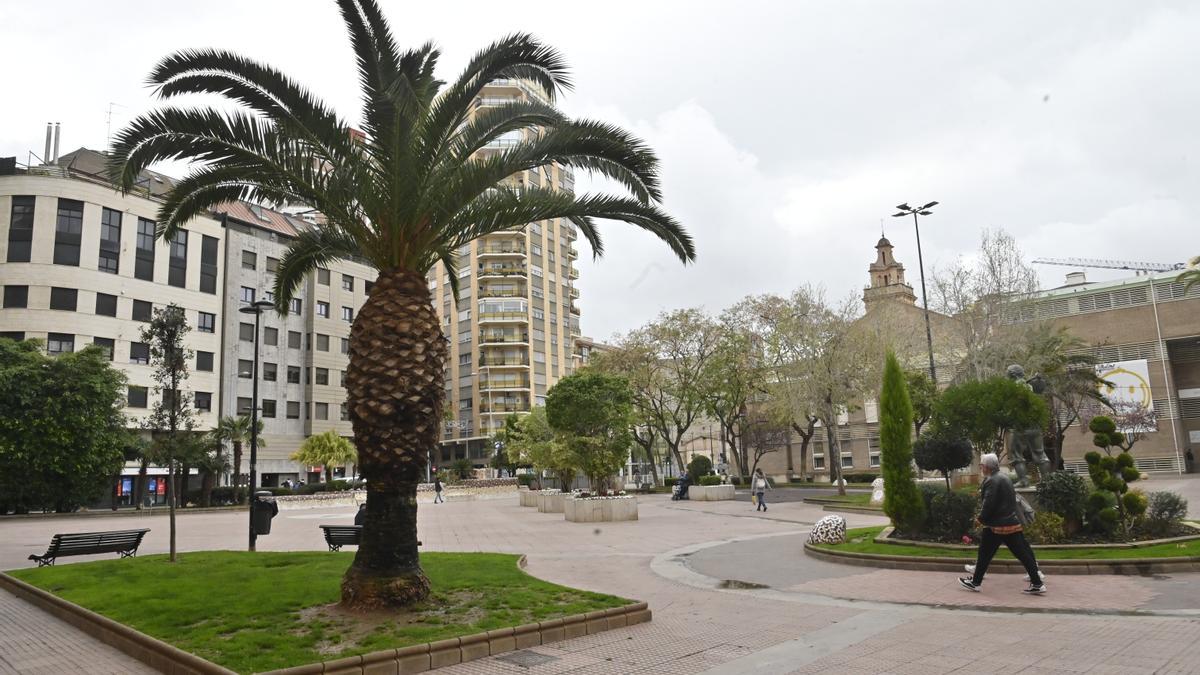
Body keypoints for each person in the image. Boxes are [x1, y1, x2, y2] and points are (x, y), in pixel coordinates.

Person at [960, 453, 1046, 594]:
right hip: (1010, 522)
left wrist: (980, 518)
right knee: (1021, 553)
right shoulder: (1004, 478)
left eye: (981, 465)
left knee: (986, 554)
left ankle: (975, 582)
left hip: (996, 525)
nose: (981, 467)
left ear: (987, 467)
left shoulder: (992, 481)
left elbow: (989, 504)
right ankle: (1037, 582)